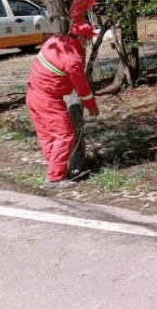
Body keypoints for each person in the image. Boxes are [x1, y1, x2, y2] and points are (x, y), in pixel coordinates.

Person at [26, 22, 100, 188]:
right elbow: (81, 86)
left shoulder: (55, 40)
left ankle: (55, 170)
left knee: (48, 136)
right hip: (48, 100)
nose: (88, 42)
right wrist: (91, 104)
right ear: (81, 38)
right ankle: (54, 178)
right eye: (87, 39)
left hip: (32, 95)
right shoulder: (72, 59)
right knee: (65, 135)